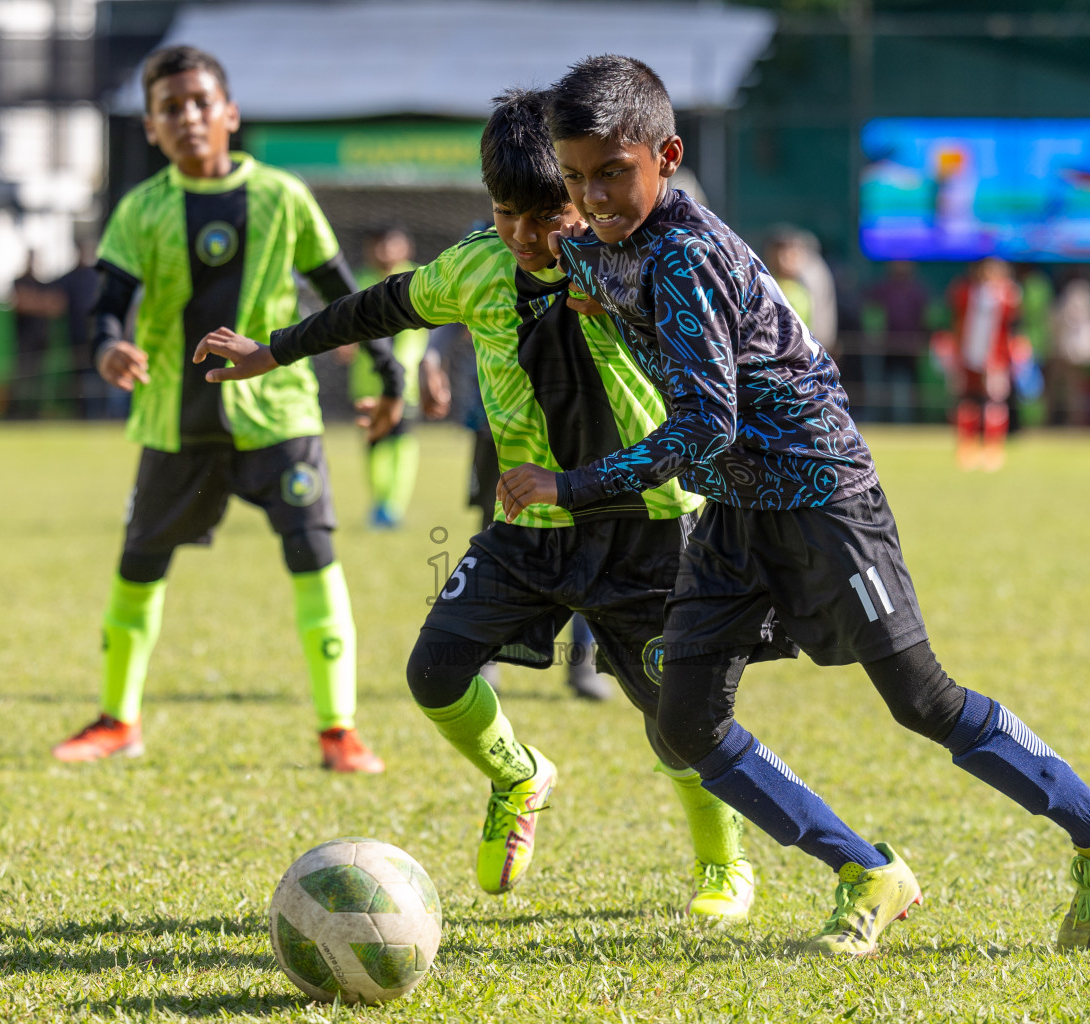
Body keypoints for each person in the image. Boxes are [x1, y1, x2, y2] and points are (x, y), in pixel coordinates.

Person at [501, 54, 1090, 955]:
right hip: (738, 511)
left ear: (669, 156)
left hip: (822, 498)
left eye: (613, 173)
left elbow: (700, 429)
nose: (597, 196)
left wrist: (570, 487)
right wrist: (542, 236)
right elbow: (571, 245)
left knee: (921, 700)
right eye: (577, 179)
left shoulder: (687, 257)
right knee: (686, 720)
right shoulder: (604, 239)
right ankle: (866, 871)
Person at [195, 89, 756, 920]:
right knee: (434, 671)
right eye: (506, 214)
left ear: (587, 195)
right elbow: (381, 304)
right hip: (529, 525)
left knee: (677, 716)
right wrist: (274, 352)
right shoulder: (476, 266)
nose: (527, 236)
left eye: (548, 215)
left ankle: (722, 865)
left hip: (643, 519)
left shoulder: (637, 260)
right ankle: (518, 776)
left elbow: (720, 350)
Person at [49, 45, 402, 772]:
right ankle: (119, 719)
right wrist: (109, 349)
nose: (188, 117)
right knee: (139, 565)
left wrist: (389, 369)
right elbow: (106, 312)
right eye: (170, 108)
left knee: (314, 554)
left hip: (278, 414)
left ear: (230, 114)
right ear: (150, 127)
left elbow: (344, 298)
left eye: (200, 103)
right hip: (175, 421)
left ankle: (339, 729)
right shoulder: (141, 211)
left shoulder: (282, 196)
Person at [337, 226, 426, 528]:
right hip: (368, 382)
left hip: (407, 383)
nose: (384, 251)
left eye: (391, 244)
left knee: (402, 441)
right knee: (373, 440)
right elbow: (341, 319)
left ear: (406, 246)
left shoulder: (420, 277)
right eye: (377, 245)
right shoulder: (358, 282)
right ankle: (379, 503)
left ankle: (393, 506)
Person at [947, 257, 1020, 470]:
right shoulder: (967, 292)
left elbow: (1012, 314)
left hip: (996, 358)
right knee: (968, 400)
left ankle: (993, 447)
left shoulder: (1007, 295)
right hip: (968, 355)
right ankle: (967, 446)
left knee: (994, 402)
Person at [863, 261, 930, 423]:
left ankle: (904, 421)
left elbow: (924, 319)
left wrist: (919, 342)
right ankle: (882, 420)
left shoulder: (917, 291)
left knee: (906, 388)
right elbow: (871, 312)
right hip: (886, 348)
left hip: (909, 349)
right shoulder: (882, 289)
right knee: (882, 387)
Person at [1046, 273, 1090, 427]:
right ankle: (1068, 421)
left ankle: (1072, 422)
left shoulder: (1077, 292)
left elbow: (1062, 320)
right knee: (1070, 388)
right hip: (1073, 349)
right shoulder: (1086, 292)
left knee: (1072, 389)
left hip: (1071, 349)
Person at [9, 250, 63, 418]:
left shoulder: (45, 283)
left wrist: (33, 301)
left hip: (42, 339)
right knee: (22, 378)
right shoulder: (19, 281)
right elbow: (20, 303)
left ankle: (34, 412)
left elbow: (57, 305)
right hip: (24, 340)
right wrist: (42, 303)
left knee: (39, 380)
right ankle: (18, 412)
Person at [55, 239, 103, 419]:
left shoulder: (97, 275)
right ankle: (84, 412)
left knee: (97, 376)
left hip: (96, 336)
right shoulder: (71, 277)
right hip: (76, 337)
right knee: (81, 377)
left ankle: (98, 413)